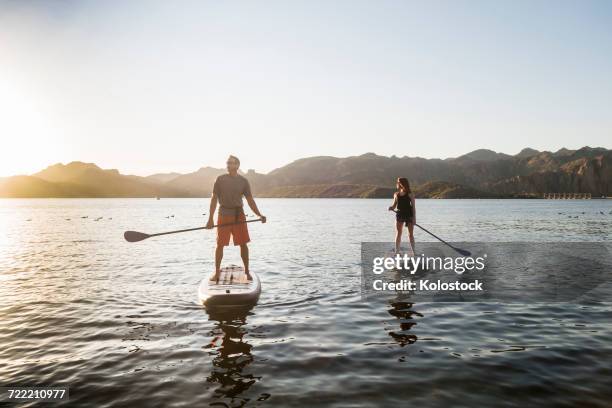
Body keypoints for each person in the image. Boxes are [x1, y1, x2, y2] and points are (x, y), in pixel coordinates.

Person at [206, 155, 266, 281]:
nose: (228, 165)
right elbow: (214, 199)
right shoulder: (220, 179)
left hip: (239, 216)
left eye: (231, 163)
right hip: (223, 215)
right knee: (220, 244)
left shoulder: (243, 181)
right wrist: (210, 218)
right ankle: (217, 272)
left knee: (243, 244)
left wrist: (259, 215)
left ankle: (247, 272)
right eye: (227, 163)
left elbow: (250, 201)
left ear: (237, 165)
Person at [388, 177, 416, 254]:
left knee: (410, 234)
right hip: (400, 215)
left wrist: (414, 219)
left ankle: (414, 252)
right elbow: (394, 206)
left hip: (409, 215)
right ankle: (397, 252)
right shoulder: (396, 194)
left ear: (402, 184)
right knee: (399, 233)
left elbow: (413, 207)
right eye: (398, 182)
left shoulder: (410, 194)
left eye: (399, 182)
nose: (397, 183)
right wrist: (391, 208)